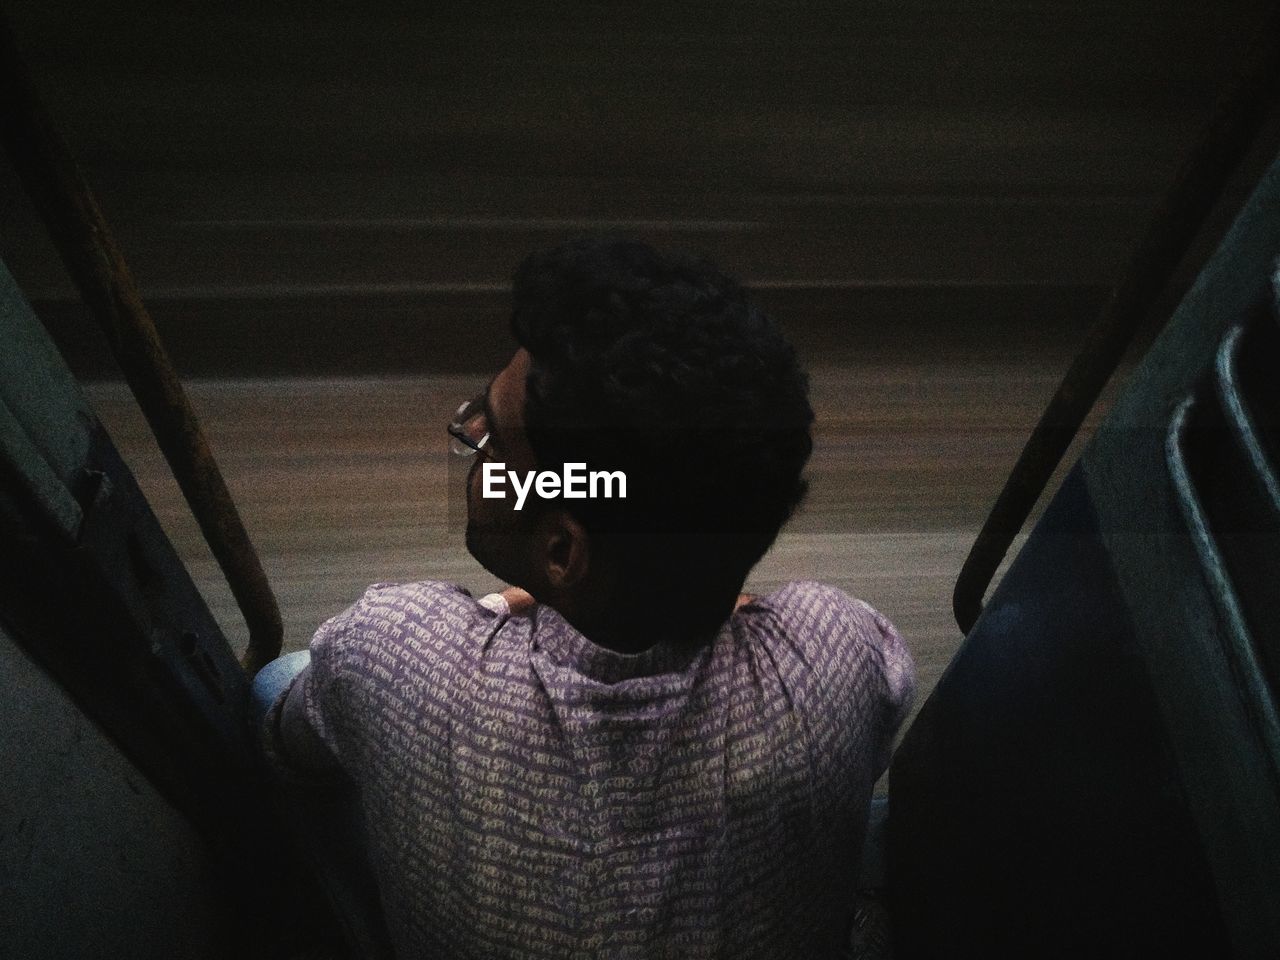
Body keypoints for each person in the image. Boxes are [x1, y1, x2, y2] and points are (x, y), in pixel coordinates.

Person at [254, 237, 915, 959]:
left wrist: (492, 621)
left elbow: (291, 743)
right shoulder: (837, 650)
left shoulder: (392, 649)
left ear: (563, 553)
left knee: (280, 684)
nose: (472, 437)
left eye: (495, 441)